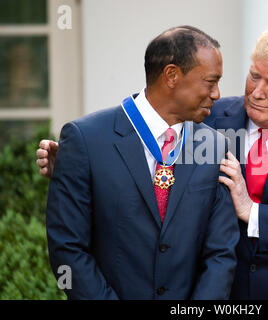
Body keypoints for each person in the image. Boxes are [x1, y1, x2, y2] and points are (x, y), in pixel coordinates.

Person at [37, 26, 268, 300]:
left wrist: (254, 214)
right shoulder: (206, 117)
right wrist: (77, 171)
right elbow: (145, 130)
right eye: (254, 76)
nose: (256, 92)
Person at [42, 26, 239, 299]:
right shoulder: (85, 139)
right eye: (210, 81)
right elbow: (67, 248)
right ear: (171, 75)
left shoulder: (215, 145)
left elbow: (220, 254)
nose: (217, 93)